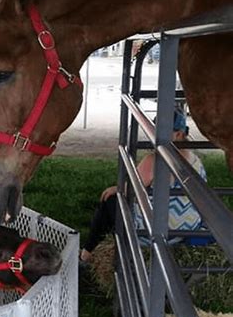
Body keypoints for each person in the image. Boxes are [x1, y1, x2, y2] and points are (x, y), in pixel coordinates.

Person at [80, 109, 207, 263]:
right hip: (187, 229)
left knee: (111, 200)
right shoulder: (195, 160)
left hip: (156, 231)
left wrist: (116, 189)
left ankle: (87, 253)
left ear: (179, 134)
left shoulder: (155, 159)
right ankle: (93, 250)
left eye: (160, 130)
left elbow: (130, 189)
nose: (155, 135)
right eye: (154, 129)